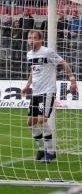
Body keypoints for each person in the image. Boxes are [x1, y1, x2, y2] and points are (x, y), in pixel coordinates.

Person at [21, 30, 77, 162]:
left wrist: (73, 81)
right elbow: (33, 71)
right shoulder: (29, 54)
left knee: (42, 120)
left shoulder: (47, 52)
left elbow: (64, 63)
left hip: (48, 91)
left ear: (41, 40)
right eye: (29, 38)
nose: (31, 40)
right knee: (30, 123)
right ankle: (41, 149)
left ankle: (51, 151)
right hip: (36, 92)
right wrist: (27, 85)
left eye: (34, 38)